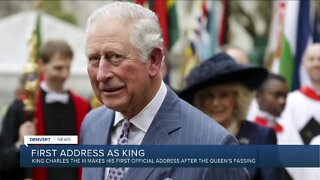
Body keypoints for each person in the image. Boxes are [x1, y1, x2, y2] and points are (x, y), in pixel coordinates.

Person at [81, 2, 248, 180]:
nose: (101, 74)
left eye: (115, 57)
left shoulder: (214, 148)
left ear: (154, 61)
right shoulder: (92, 124)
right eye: (94, 59)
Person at [179, 53, 281, 180]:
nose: (216, 103)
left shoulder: (261, 137)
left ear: (237, 99)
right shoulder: (189, 140)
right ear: (201, 101)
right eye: (209, 96)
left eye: (224, 95)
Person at [0, 40, 90, 180]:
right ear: (42, 65)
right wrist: (20, 145)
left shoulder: (83, 107)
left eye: (68, 67)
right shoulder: (20, 108)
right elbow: (3, 162)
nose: (64, 75)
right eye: (58, 68)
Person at [277, 43, 320, 180]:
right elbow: (286, 139)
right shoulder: (290, 101)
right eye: (311, 59)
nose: (316, 63)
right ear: (303, 63)